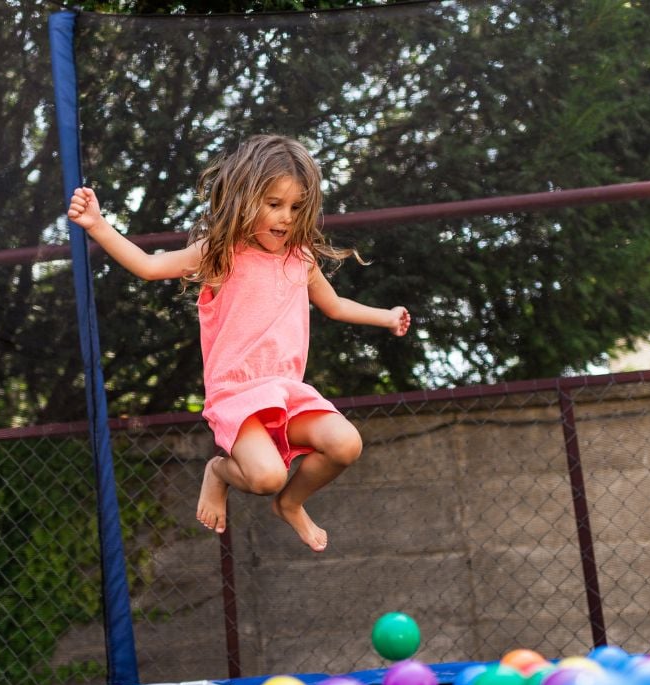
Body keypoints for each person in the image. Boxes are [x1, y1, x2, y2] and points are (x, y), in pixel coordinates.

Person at [67, 135, 409, 552]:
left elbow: (334, 306)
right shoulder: (221, 253)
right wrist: (98, 226)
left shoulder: (299, 258)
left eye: (296, 207)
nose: (285, 218)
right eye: (273, 204)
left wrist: (386, 316)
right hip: (238, 396)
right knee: (265, 477)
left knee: (345, 443)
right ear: (246, 198)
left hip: (287, 392)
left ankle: (291, 503)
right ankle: (220, 471)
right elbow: (151, 266)